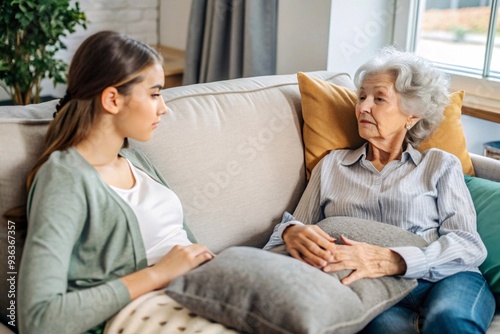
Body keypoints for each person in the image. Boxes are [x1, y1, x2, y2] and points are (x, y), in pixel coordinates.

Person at [264, 47, 495, 333]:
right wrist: (290, 231)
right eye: (361, 97)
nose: (362, 107)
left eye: (379, 98)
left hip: (448, 276)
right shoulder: (332, 165)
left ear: (412, 114)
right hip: (375, 287)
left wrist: (397, 259)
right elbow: (295, 227)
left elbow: (468, 244)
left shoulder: (439, 164)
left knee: (448, 320)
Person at [18, 31, 215, 334]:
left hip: (206, 290)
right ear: (112, 99)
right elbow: (39, 318)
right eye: (154, 94)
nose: (164, 107)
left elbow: (186, 244)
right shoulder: (64, 178)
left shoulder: (135, 159)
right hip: (149, 312)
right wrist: (160, 274)